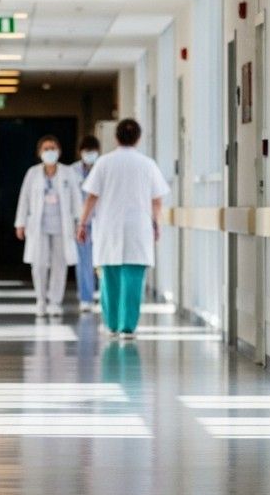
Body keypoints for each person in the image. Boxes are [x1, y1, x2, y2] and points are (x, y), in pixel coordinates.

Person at [77, 119, 169, 339]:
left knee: (110, 277)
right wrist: (157, 223)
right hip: (138, 226)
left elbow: (91, 197)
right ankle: (128, 327)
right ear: (138, 138)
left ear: (116, 137)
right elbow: (157, 200)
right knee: (133, 278)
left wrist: (82, 223)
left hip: (109, 225)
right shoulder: (147, 164)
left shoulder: (104, 163)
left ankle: (112, 325)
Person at [14, 135, 83, 318]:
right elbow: (24, 199)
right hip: (39, 226)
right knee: (39, 264)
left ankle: (55, 302)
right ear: (39, 153)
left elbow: (77, 199)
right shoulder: (33, 173)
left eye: (53, 148)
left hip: (62, 225)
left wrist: (79, 222)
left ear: (59, 151)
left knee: (59, 264)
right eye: (46, 149)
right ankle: (41, 299)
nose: (50, 152)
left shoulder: (68, 173)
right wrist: (20, 223)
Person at [70, 135, 101, 312]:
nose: (90, 154)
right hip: (81, 221)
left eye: (93, 151)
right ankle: (86, 297)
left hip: (99, 220)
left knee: (102, 260)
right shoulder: (72, 171)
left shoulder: (102, 169)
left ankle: (102, 295)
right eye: (86, 151)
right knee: (83, 261)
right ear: (80, 152)